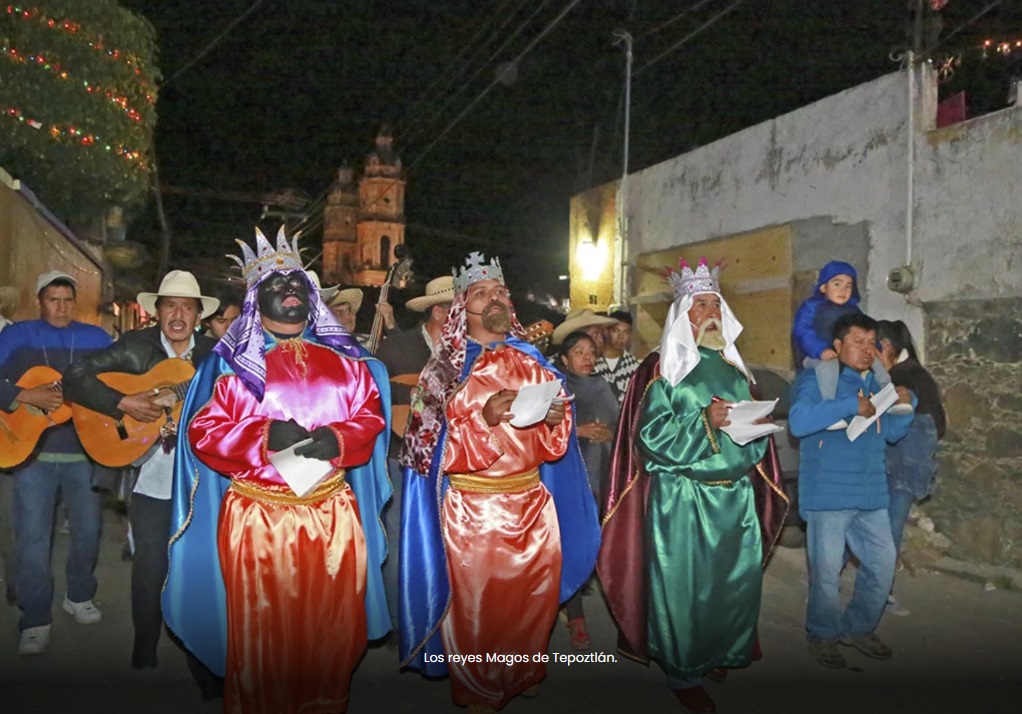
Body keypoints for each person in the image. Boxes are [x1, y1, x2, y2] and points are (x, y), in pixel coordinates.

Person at [163, 228, 391, 714]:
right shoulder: (231, 369)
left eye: (297, 282)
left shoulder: (349, 364)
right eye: (275, 284)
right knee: (264, 636)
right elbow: (203, 432)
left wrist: (342, 438)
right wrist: (262, 436)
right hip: (259, 521)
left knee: (331, 630)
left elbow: (370, 415)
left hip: (334, 516)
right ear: (254, 300)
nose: (290, 290)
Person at [398, 252, 600, 714]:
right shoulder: (443, 373)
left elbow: (555, 445)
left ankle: (523, 669)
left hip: (532, 503)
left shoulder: (534, 362)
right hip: (474, 513)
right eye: (482, 293)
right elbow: (428, 452)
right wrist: (484, 420)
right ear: (461, 308)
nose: (496, 299)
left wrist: (553, 418)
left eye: (500, 292)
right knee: (478, 610)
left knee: (532, 599)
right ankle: (479, 689)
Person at [599, 257, 788, 714]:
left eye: (716, 305)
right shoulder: (661, 368)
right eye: (700, 305)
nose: (711, 314)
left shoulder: (737, 370)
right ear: (683, 314)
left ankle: (719, 650)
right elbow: (649, 436)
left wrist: (752, 428)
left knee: (731, 586)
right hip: (682, 497)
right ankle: (683, 673)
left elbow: (753, 432)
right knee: (684, 588)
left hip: (735, 495)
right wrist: (705, 420)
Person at [62, 270, 221, 686]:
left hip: (200, 480)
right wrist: (123, 401)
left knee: (200, 569)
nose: (179, 314)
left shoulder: (216, 355)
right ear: (158, 312)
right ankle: (145, 646)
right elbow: (76, 377)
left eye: (187, 307)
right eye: (171, 305)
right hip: (149, 475)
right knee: (150, 565)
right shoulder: (135, 346)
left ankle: (200, 658)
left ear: (199, 315)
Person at [789, 312, 916, 670]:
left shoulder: (879, 383)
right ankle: (823, 634)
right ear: (838, 345)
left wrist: (905, 406)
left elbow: (891, 433)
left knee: (881, 565)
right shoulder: (816, 379)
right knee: (827, 573)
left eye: (871, 342)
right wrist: (849, 404)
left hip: (871, 494)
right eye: (857, 341)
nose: (866, 349)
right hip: (828, 496)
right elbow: (798, 422)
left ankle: (857, 629)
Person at [0, 271, 111, 655]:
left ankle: (78, 595)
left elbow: (117, 383)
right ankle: (35, 619)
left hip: (86, 452)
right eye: (53, 299)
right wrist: (21, 394)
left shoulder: (96, 338)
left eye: (67, 300)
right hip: (32, 454)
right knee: (32, 539)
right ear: (39, 301)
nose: (61, 307)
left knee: (88, 531)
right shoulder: (16, 336)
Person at [375, 275, 453, 633]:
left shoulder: (466, 352)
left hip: (452, 460)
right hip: (401, 457)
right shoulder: (397, 346)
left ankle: (444, 618)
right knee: (401, 536)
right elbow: (376, 398)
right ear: (439, 312)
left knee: (448, 538)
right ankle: (399, 620)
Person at [876, 319, 946, 617]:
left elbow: (928, 425)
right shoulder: (911, 372)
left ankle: (881, 593)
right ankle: (879, 591)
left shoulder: (904, 377)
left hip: (902, 467)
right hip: (903, 466)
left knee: (887, 528)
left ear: (887, 348)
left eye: (871, 345)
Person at [555, 329, 619, 651]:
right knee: (572, 542)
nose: (587, 358)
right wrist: (576, 430)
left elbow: (621, 424)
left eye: (591, 352)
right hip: (566, 474)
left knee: (599, 539)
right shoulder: (556, 385)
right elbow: (541, 426)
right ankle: (576, 616)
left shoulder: (603, 386)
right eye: (579, 352)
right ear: (565, 359)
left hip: (600, 472)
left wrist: (610, 434)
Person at [792, 260, 889, 399]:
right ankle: (829, 404)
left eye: (848, 286)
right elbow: (802, 331)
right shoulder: (812, 307)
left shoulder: (853, 310)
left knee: (876, 363)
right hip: (815, 355)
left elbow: (866, 332)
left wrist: (877, 347)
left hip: (845, 354)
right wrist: (820, 350)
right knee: (828, 367)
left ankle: (888, 395)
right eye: (837, 284)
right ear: (823, 287)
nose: (843, 290)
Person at [593, 310, 641, 403]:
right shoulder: (593, 361)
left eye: (625, 332)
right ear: (607, 331)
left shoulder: (633, 367)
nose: (620, 336)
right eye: (615, 330)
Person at [550, 307, 616, 355]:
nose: (601, 340)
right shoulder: (552, 369)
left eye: (600, 333)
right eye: (595, 334)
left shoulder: (601, 363)